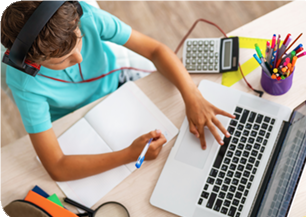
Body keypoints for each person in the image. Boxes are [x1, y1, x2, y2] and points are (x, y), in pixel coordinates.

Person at [0, 0, 234, 181]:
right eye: (62, 60)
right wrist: (129, 155)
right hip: (74, 120)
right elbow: (57, 166)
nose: (80, 58)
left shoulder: (88, 18)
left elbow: (155, 50)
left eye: (79, 41)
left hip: (119, 83)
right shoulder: (24, 83)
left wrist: (191, 95)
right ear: (30, 63)